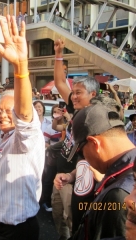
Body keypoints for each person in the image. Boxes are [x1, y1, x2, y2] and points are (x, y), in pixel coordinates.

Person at [0, 16, 45, 240]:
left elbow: (23, 114)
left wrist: (21, 66)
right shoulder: (8, 132)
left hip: (16, 232)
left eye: (9, 112)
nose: (2, 115)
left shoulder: (26, 136)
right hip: (0, 228)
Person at [52, 38, 99, 240]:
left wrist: (71, 176)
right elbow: (60, 82)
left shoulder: (97, 120)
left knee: (74, 223)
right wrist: (58, 54)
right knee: (59, 220)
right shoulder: (76, 108)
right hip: (60, 176)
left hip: (75, 181)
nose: (74, 97)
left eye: (79, 93)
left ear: (93, 94)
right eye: (74, 93)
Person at [70, 103, 135, 240]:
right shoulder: (125, 170)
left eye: (81, 152)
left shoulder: (119, 193)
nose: (84, 159)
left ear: (95, 143)